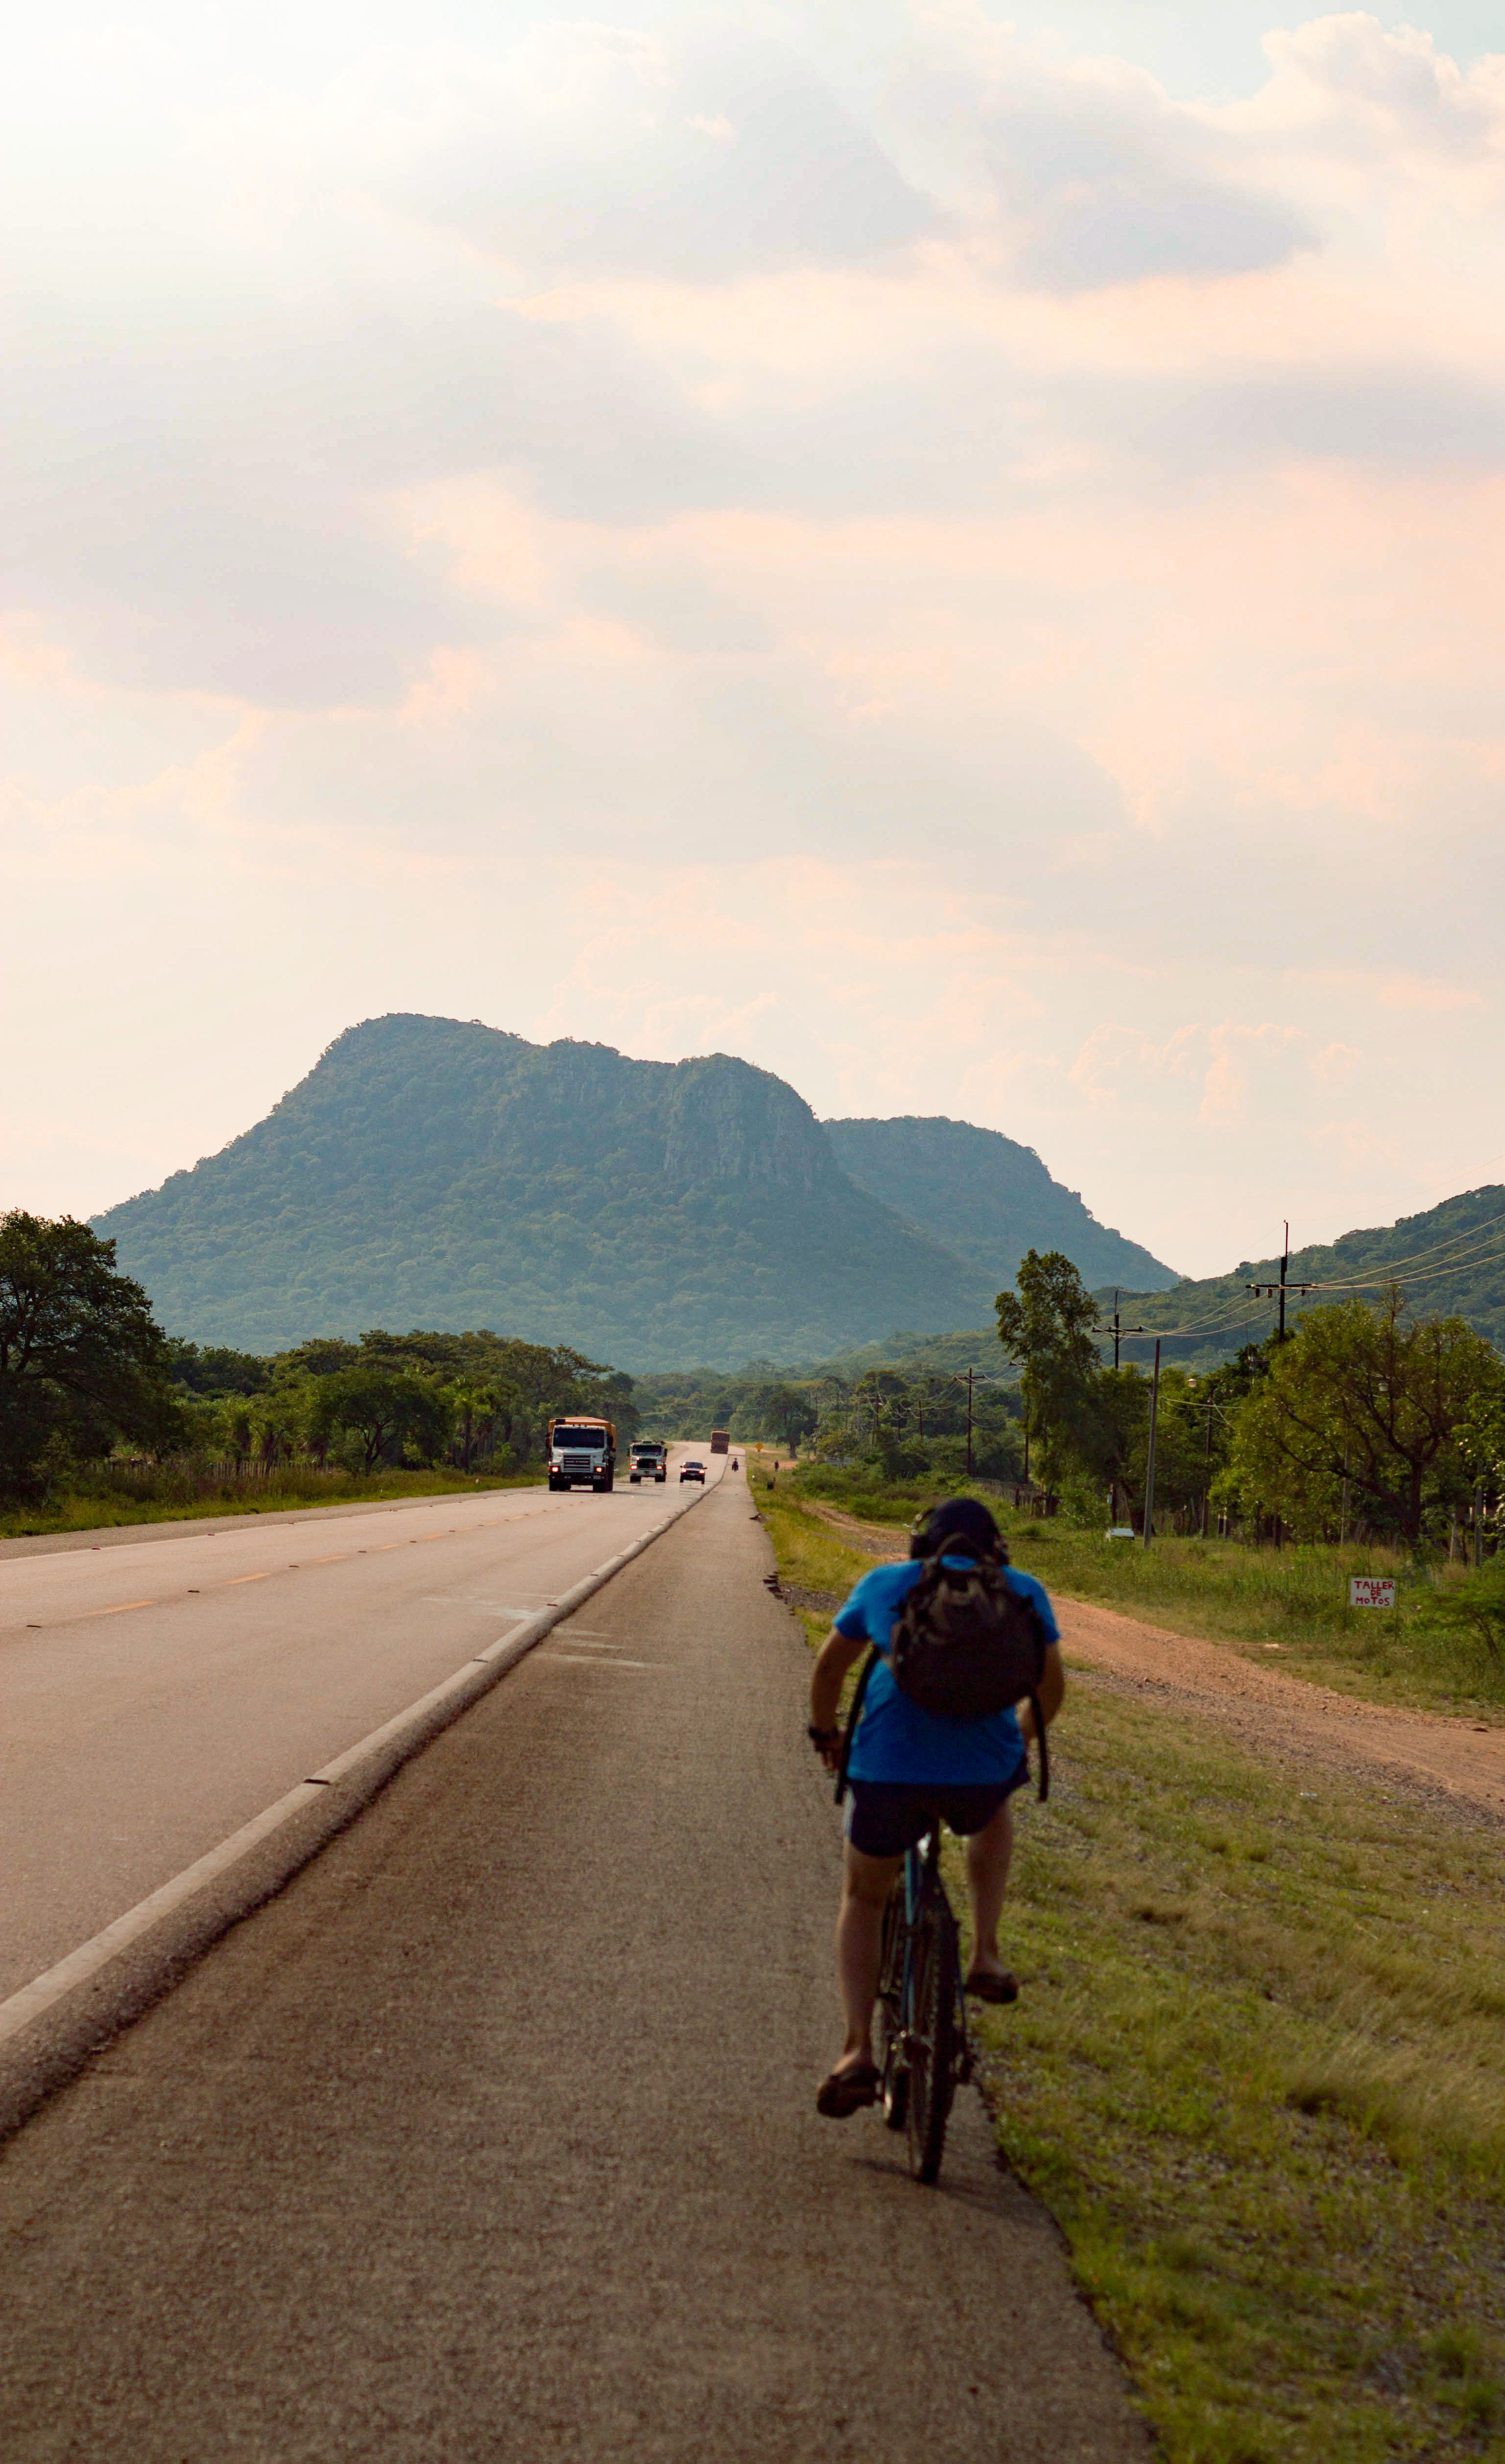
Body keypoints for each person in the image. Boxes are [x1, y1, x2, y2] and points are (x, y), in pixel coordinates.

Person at [806, 1497, 1065, 2118]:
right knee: (995, 1811)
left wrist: (827, 1738)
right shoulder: (1024, 1591)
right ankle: (984, 1953)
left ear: (922, 1545)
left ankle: (857, 2050)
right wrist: (1015, 1743)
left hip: (887, 1771)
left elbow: (829, 1672)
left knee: (866, 1897)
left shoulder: (884, 1584)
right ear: (996, 1550)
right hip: (979, 1776)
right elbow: (1051, 1688)